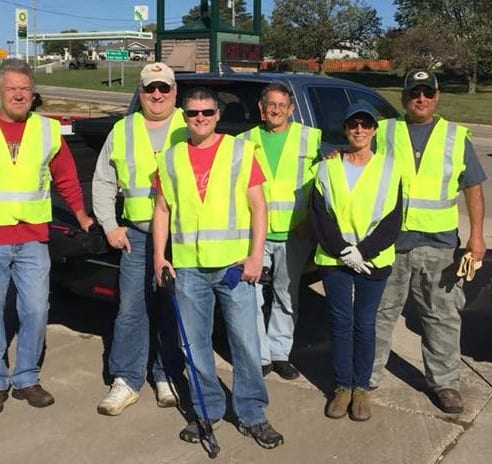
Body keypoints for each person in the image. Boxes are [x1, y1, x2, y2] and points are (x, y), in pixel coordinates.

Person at [0, 58, 94, 415]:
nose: (18, 95)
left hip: (33, 239)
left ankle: (27, 378)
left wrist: (81, 215)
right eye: (12, 88)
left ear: (33, 94)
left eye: (25, 89)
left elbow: (66, 178)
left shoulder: (47, 131)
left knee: (35, 310)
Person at [153, 87, 284, 449]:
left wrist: (256, 256)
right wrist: (159, 257)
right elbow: (162, 209)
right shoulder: (170, 158)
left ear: (217, 115)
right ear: (184, 116)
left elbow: (259, 207)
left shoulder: (239, 151)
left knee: (245, 343)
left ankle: (252, 413)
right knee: (194, 347)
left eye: (207, 113)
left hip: (233, 267)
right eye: (193, 113)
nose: (200, 118)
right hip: (188, 269)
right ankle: (206, 410)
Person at [370, 70, 487, 414]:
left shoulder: (455, 136)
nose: (420, 99)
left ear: (437, 97)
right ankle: (366, 376)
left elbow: (473, 188)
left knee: (441, 317)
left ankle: (445, 383)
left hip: (439, 245)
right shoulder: (385, 131)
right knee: (379, 313)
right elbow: (359, 165)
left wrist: (476, 235)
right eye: (414, 93)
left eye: (426, 93)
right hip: (390, 243)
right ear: (404, 97)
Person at [92, 63, 187, 416]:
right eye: (150, 88)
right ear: (141, 92)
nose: (157, 95)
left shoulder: (191, 124)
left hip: (181, 239)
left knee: (173, 309)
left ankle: (166, 374)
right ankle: (126, 379)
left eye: (164, 88)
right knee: (131, 310)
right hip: (137, 235)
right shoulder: (123, 129)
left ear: (175, 92)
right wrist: (109, 225)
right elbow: (103, 180)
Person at [310, 102, 403, 421]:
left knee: (365, 323)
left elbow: (393, 219)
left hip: (372, 259)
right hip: (335, 259)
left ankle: (361, 387)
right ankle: (343, 386)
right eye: (353, 124)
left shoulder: (390, 168)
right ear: (345, 129)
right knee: (340, 322)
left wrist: (362, 251)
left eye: (365, 124)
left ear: (374, 130)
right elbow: (319, 215)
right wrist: (343, 251)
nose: (359, 130)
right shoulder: (327, 168)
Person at [240, 81, 321, 380]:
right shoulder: (244, 141)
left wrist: (311, 220)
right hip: (255, 234)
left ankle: (280, 353)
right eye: (270, 105)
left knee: (286, 297)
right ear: (262, 109)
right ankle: (260, 356)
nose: (276, 110)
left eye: (281, 105)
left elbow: (322, 184)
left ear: (291, 109)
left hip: (294, 233)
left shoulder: (310, 138)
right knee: (252, 297)